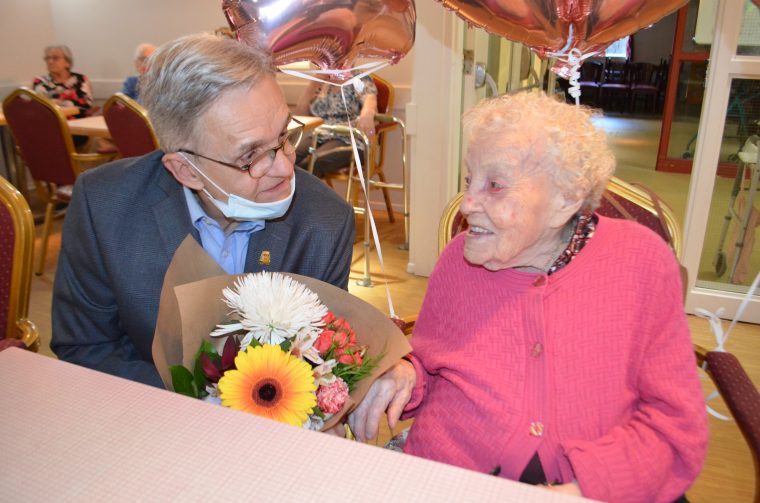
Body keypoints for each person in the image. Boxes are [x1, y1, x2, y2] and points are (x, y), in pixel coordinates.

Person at [349, 92, 708, 502]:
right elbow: (431, 359)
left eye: (495, 185)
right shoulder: (457, 263)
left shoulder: (640, 262)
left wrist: (585, 489)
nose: (468, 204)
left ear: (565, 199)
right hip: (454, 479)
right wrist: (407, 371)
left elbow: (676, 425)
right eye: (469, 180)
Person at [51, 34, 355, 388]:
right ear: (185, 170)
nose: (286, 168)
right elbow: (86, 347)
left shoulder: (324, 221)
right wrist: (203, 403)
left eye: (284, 136)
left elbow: (324, 362)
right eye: (251, 156)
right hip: (144, 418)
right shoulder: (104, 207)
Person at [293, 75, 377, 177]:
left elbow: (370, 100)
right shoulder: (322, 82)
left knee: (311, 163)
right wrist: (312, 84)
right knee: (289, 157)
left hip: (347, 139)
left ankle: (300, 191)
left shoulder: (359, 78)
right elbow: (299, 115)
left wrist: (368, 113)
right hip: (319, 135)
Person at [33, 44, 93, 119]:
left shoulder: (81, 79)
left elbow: (85, 105)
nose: (50, 61)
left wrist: (57, 103)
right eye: (48, 58)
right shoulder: (40, 81)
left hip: (76, 123)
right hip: (48, 122)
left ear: (68, 63)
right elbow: (39, 107)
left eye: (55, 58)